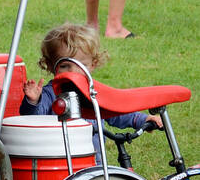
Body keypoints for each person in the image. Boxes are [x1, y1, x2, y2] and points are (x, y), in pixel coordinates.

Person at [22, 22, 161, 160]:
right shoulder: (49, 93)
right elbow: (33, 118)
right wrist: (33, 101)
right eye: (65, 66)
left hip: (95, 163)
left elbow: (114, 111)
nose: (73, 71)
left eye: (81, 65)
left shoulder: (93, 92)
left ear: (92, 65)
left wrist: (142, 119)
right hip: (60, 163)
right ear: (51, 66)